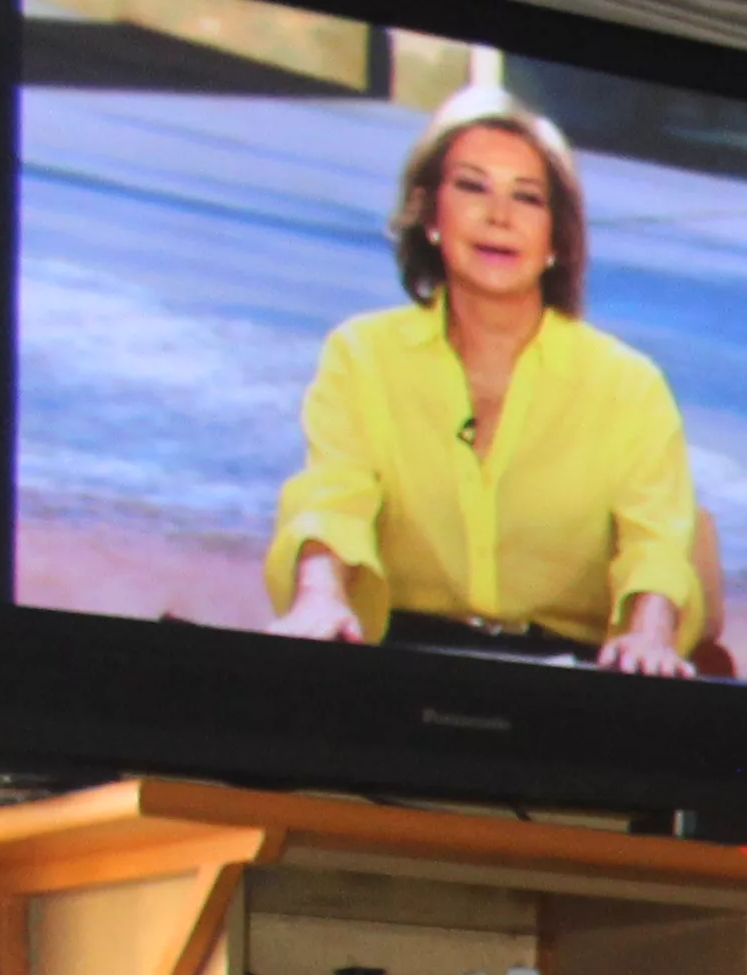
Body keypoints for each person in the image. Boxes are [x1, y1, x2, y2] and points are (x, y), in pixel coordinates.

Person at [266, 104, 708, 672]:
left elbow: (654, 546)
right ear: (428, 214)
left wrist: (649, 637)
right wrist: (319, 599)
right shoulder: (362, 355)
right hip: (403, 659)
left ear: (557, 236)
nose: (499, 216)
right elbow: (332, 502)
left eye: (527, 197)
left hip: (571, 674)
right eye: (473, 187)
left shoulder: (629, 384)